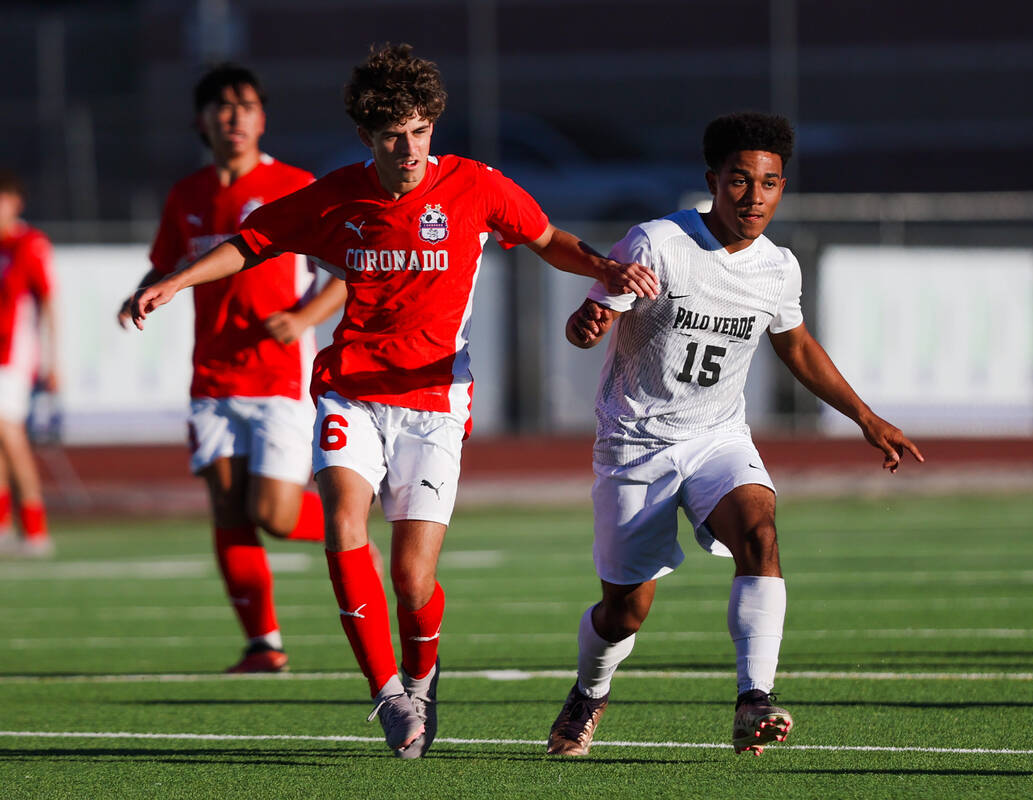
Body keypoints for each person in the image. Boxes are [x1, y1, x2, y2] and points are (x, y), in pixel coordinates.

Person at [129, 43, 659, 759]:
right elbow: (252, 243)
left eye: (417, 131)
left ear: (432, 125)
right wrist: (173, 283)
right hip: (350, 391)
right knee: (344, 525)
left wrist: (604, 267)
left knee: (412, 578)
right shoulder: (338, 194)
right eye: (390, 137)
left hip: (435, 399)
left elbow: (545, 238)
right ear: (366, 138)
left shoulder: (476, 186)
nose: (407, 149)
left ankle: (421, 676)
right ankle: (386, 694)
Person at [547, 112, 924, 757]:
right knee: (624, 613)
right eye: (740, 181)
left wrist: (866, 418)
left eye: (770, 183)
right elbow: (592, 317)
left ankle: (754, 701)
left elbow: (796, 345)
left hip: (718, 438)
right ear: (712, 181)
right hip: (636, 445)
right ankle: (590, 692)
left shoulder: (778, 268)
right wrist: (588, 324)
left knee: (760, 531)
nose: (755, 197)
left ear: (783, 188)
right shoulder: (657, 243)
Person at [118, 64, 350, 674]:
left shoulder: (295, 185)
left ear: (262, 118)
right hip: (213, 380)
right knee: (227, 508)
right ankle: (263, 645)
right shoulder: (187, 195)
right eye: (222, 107)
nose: (235, 117)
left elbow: (347, 273)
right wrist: (142, 292)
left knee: (272, 512)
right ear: (202, 121)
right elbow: (167, 266)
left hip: (280, 381)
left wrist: (304, 320)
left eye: (246, 106)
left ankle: (351, 531)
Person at [0, 169, 57, 559]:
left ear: (15, 203)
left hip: (12, 355)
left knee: (10, 432)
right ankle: (3, 526)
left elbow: (49, 302)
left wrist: (53, 359)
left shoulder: (29, 243)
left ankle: (36, 529)